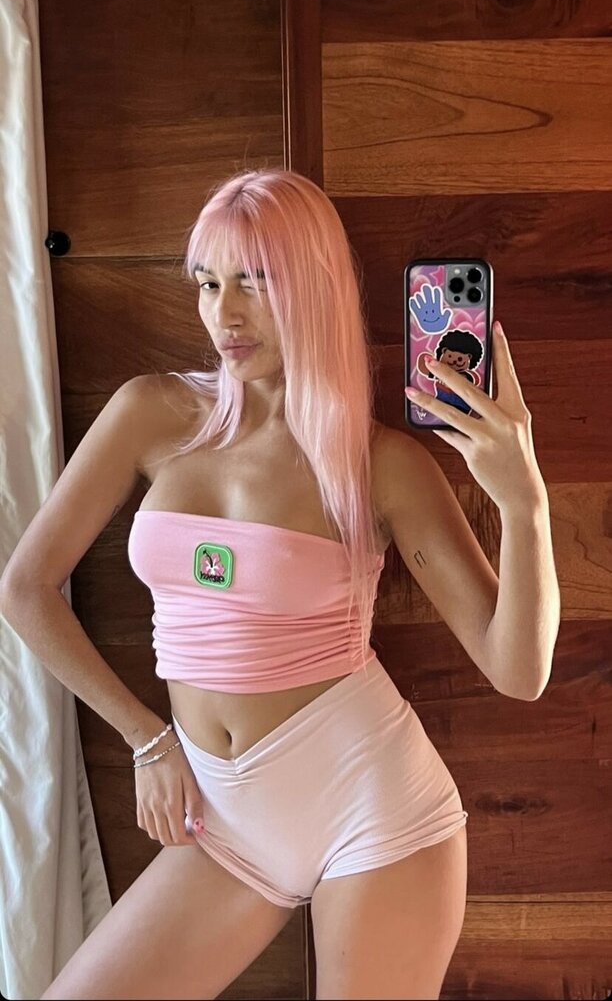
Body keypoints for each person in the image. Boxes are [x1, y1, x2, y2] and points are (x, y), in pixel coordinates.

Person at [4, 166, 496, 1001]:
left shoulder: (378, 463)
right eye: (208, 283)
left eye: (255, 282)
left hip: (375, 811)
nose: (223, 314)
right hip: (221, 816)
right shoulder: (150, 413)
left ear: (315, 287)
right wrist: (147, 740)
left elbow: (517, 668)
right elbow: (25, 590)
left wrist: (523, 500)